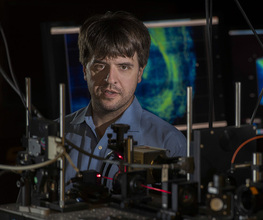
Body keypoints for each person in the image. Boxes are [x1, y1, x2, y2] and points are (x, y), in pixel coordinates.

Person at [64, 11, 187, 190]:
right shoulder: (55, 136)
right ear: (84, 71)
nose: (110, 79)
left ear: (139, 73)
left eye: (123, 67)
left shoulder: (169, 143)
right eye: (100, 65)